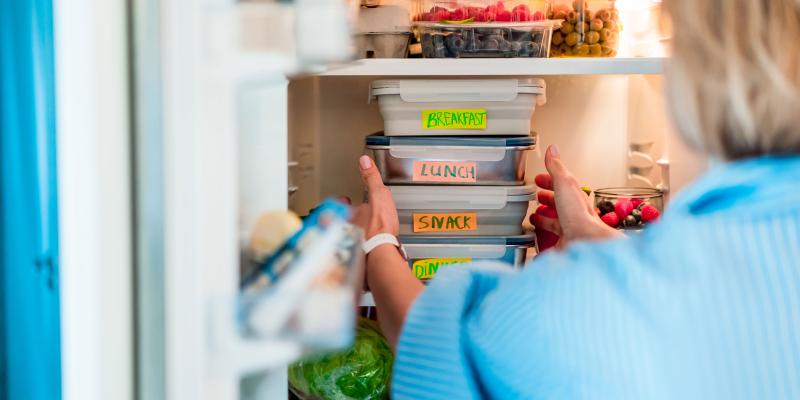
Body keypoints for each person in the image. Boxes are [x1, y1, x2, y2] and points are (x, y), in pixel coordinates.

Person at [351, 0, 800, 398]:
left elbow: (440, 350)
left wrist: (379, 247)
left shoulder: (589, 303)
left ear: (695, 83)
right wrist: (599, 237)